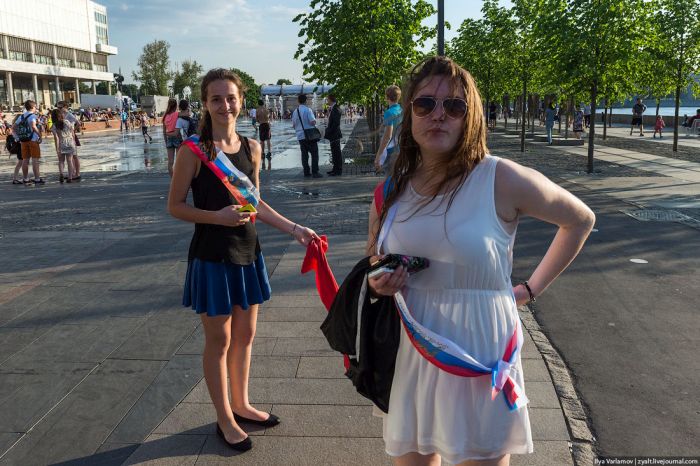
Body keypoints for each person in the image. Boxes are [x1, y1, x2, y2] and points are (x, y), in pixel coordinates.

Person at [363, 55, 595, 466]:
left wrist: (530, 289)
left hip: (478, 352)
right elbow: (374, 258)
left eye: (454, 106)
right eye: (425, 104)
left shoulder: (499, 178)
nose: (439, 115)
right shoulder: (392, 190)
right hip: (414, 350)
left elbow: (579, 220)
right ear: (409, 114)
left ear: (470, 117)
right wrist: (377, 280)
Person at [168, 68, 317, 453]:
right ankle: (224, 418)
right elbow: (175, 206)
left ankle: (241, 404)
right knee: (219, 340)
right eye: (216, 98)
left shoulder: (252, 148)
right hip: (212, 257)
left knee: (246, 336)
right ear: (205, 103)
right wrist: (216, 217)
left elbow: (255, 204)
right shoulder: (193, 152)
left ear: (241, 100)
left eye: (230, 97)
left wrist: (295, 229)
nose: (225, 105)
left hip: (248, 252)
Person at [291, 94, 322, 178]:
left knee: (304, 155)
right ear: (306, 101)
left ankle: (306, 172)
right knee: (314, 154)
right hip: (310, 135)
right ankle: (315, 172)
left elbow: (293, 125)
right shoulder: (308, 110)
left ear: (298, 101)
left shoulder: (295, 111)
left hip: (300, 136)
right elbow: (312, 122)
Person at [374, 85, 403, 174]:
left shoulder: (389, 113)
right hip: (402, 148)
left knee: (391, 177)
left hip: (391, 151)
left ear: (387, 97)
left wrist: (378, 156)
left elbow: (387, 136)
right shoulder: (402, 110)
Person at [14, 100, 44, 185]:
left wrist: (18, 137)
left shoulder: (21, 116)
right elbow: (33, 126)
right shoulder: (33, 116)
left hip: (23, 140)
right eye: (35, 107)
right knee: (35, 160)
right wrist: (40, 136)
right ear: (33, 107)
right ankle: (37, 178)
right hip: (33, 140)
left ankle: (25, 178)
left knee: (25, 160)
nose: (36, 108)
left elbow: (14, 127)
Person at [57, 101, 82, 181]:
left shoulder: (69, 115)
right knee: (71, 157)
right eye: (58, 107)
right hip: (66, 137)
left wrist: (73, 130)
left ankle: (77, 173)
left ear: (65, 107)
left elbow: (78, 123)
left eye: (60, 107)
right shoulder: (62, 115)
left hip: (71, 136)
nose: (58, 109)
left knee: (74, 156)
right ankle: (72, 173)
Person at [50, 108, 76, 183]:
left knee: (61, 161)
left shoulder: (54, 125)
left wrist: (57, 148)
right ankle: (70, 177)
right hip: (70, 142)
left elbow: (56, 138)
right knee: (70, 161)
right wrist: (74, 141)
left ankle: (61, 173)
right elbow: (72, 133)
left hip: (61, 143)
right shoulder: (67, 122)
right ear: (61, 115)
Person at [324, 94, 343, 176]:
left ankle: (338, 170)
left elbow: (336, 123)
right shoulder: (334, 108)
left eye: (327, 99)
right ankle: (335, 169)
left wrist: (329, 131)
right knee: (334, 152)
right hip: (334, 134)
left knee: (336, 153)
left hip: (335, 134)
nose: (327, 101)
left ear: (331, 99)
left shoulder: (336, 109)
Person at [163, 98, 181, 177]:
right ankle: (178, 178)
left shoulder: (165, 116)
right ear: (176, 105)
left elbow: (164, 131)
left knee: (170, 162)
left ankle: (172, 179)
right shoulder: (177, 114)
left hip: (169, 138)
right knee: (178, 161)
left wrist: (166, 141)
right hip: (177, 136)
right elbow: (187, 114)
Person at [5, 115, 24, 184]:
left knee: (21, 162)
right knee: (21, 162)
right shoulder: (18, 126)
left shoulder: (14, 126)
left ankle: (17, 178)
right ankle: (16, 178)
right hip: (20, 146)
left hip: (18, 146)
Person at [255, 99, 272, 169]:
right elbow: (270, 117)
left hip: (261, 125)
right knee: (268, 139)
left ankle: (263, 153)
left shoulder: (257, 110)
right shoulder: (266, 109)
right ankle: (269, 151)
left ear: (258, 104)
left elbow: (256, 119)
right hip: (267, 124)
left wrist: (260, 121)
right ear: (263, 103)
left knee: (262, 140)